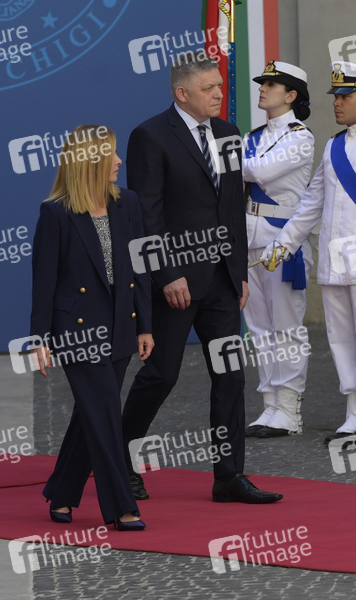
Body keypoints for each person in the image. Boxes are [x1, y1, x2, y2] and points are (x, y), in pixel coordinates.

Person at [122, 52, 283, 504]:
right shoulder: (150, 136)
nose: (218, 94)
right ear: (182, 93)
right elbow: (147, 213)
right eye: (209, 88)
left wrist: (238, 272)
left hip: (222, 281)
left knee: (230, 377)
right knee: (161, 375)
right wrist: (167, 274)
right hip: (176, 282)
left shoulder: (228, 134)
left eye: (219, 86)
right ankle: (119, 458)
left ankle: (229, 476)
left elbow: (231, 208)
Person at [30, 124, 154, 530]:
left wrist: (145, 325)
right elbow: (44, 281)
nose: (119, 161)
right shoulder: (56, 212)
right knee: (104, 414)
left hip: (120, 325)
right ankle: (121, 506)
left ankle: (62, 493)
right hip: (77, 332)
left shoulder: (127, 202)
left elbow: (139, 268)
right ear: (89, 162)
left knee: (92, 414)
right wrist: (39, 339)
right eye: (111, 154)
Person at [261, 60, 356, 445]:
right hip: (335, 264)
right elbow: (310, 205)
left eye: (346, 96)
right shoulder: (334, 146)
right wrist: (281, 246)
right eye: (336, 96)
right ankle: (353, 411)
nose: (337, 102)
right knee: (341, 339)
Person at [242, 61, 315, 438]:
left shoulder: (300, 137)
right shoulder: (253, 136)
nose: (262, 88)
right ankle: (270, 406)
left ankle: (289, 409)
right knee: (259, 327)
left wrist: (235, 163)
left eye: (271, 85)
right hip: (250, 236)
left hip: (282, 239)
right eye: (262, 83)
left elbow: (259, 173)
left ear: (291, 95)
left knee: (286, 327)